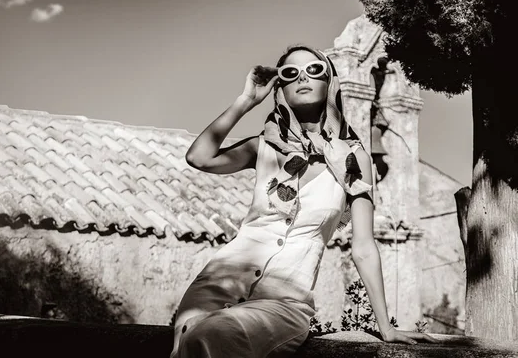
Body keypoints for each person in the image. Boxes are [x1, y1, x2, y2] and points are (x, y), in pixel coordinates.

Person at [170, 44, 437, 358]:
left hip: (284, 301)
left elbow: (363, 246)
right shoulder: (263, 147)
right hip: (218, 284)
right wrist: (246, 101)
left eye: (314, 70)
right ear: (281, 87)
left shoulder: (353, 160)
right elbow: (199, 157)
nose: (302, 78)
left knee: (214, 334)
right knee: (196, 334)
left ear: (330, 82)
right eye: (290, 73)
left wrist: (386, 326)